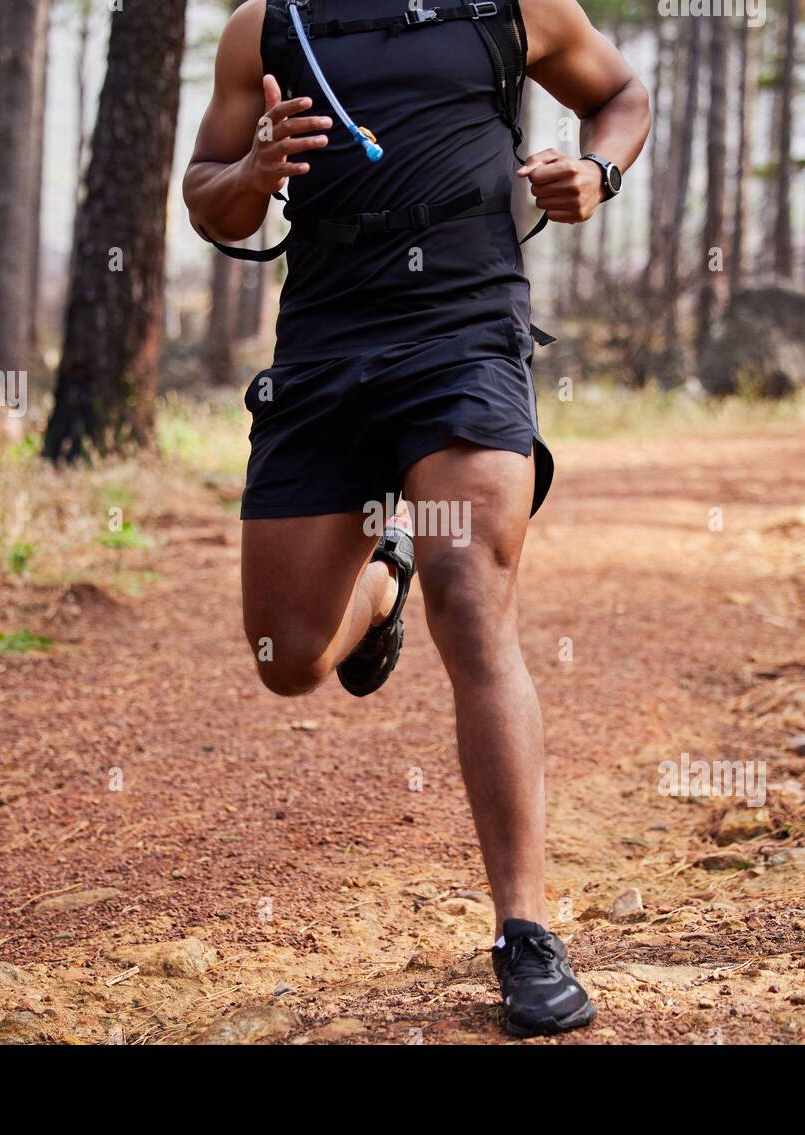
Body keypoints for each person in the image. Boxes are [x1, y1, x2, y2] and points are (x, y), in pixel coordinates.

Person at [183, 0, 649, 1038]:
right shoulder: (265, 24)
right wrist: (252, 178)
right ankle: (378, 582)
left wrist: (599, 173)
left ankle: (525, 934)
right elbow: (203, 194)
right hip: (325, 342)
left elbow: (620, 93)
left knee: (472, 594)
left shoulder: (510, 4)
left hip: (464, 328)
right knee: (289, 656)